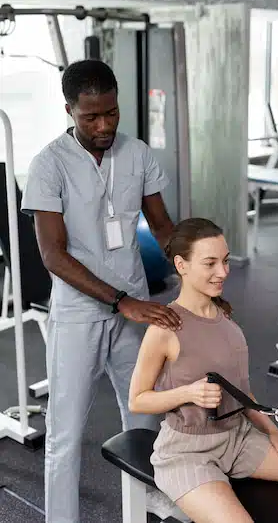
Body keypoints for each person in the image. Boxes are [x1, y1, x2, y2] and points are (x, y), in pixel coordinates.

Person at [20, 59, 189, 523]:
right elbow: (53, 255)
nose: (103, 125)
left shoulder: (136, 154)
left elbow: (161, 225)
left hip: (134, 312)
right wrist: (121, 301)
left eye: (111, 113)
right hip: (79, 315)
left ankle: (147, 510)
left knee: (143, 417)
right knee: (65, 433)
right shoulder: (48, 165)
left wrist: (199, 265)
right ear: (69, 110)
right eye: (91, 116)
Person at [128, 217, 278, 523]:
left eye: (226, 261)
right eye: (210, 263)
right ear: (182, 264)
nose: (223, 272)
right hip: (186, 452)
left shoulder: (225, 316)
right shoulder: (165, 328)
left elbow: (241, 392)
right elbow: (137, 400)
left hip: (238, 438)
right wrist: (188, 393)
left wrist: (273, 431)